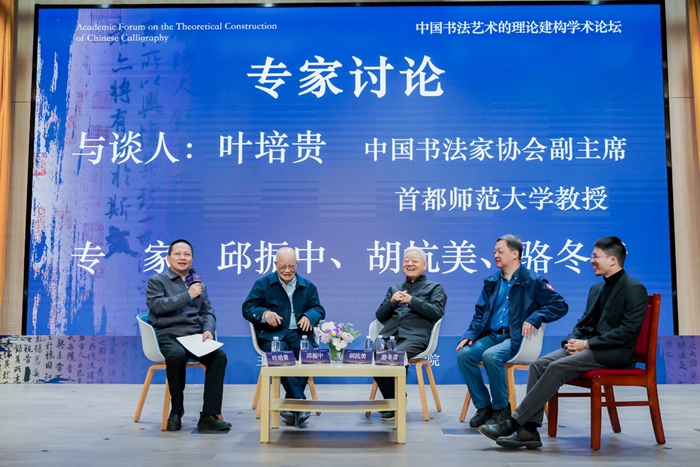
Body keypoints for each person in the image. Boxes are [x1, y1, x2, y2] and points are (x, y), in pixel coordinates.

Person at [479, 236, 649, 449]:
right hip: (588, 347)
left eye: (595, 256)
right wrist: (573, 340)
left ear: (612, 260)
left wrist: (587, 344)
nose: (591, 260)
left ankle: (514, 422)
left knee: (556, 368)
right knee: (539, 365)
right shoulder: (597, 289)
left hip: (614, 353)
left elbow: (626, 333)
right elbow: (583, 322)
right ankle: (529, 430)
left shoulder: (634, 289)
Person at [456, 234, 568, 428]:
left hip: (517, 338)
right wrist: (470, 335)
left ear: (515, 254)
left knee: (491, 356)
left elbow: (559, 305)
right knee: (464, 355)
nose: (496, 255)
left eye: (500, 251)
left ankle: (502, 410)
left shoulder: (532, 280)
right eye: (494, 252)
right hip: (492, 336)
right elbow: (480, 313)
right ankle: (484, 407)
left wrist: (535, 317)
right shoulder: (492, 282)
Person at [146, 239, 231, 432]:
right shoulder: (157, 281)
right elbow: (157, 306)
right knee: (176, 356)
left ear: (192, 259)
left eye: (187, 254)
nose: (182, 258)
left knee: (219, 357)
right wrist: (188, 295)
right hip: (169, 334)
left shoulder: (198, 284)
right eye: (178, 254)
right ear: (168, 258)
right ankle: (176, 411)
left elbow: (208, 311)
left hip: (194, 336)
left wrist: (208, 329)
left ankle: (209, 415)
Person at [242, 247, 326, 428]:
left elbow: (318, 309)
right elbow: (248, 308)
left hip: (299, 334)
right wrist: (264, 313)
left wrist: (309, 316)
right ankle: (299, 402)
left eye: (291, 266)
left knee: (307, 353)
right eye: (282, 267)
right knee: (281, 355)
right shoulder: (263, 284)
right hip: (273, 335)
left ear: (297, 264)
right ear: (275, 265)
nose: (287, 270)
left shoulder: (308, 286)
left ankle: (289, 404)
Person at [373, 247, 447, 421]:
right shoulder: (395, 288)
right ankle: (395, 399)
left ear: (424, 265)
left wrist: (412, 300)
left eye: (414, 260)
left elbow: (437, 312)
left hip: (416, 336)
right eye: (406, 260)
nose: (409, 264)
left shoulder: (435, 288)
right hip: (391, 335)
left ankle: (394, 403)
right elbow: (380, 316)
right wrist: (392, 302)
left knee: (395, 356)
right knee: (375, 353)